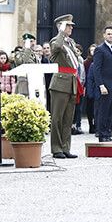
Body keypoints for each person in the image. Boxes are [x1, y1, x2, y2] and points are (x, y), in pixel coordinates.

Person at [49, 15, 81, 158]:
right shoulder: (57, 40)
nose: (71, 28)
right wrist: (61, 32)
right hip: (60, 83)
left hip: (72, 82)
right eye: (68, 25)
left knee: (68, 118)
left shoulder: (70, 42)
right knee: (57, 118)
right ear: (62, 27)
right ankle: (56, 148)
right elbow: (56, 48)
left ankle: (65, 147)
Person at [91, 26, 112, 142]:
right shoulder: (100, 49)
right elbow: (96, 69)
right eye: (108, 34)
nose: (111, 36)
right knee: (103, 110)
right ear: (104, 35)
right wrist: (101, 85)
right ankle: (102, 134)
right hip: (105, 84)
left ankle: (108, 132)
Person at [83, 43, 98, 134]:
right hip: (89, 85)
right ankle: (90, 125)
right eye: (91, 50)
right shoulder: (86, 62)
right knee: (89, 107)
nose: (93, 52)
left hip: (97, 86)